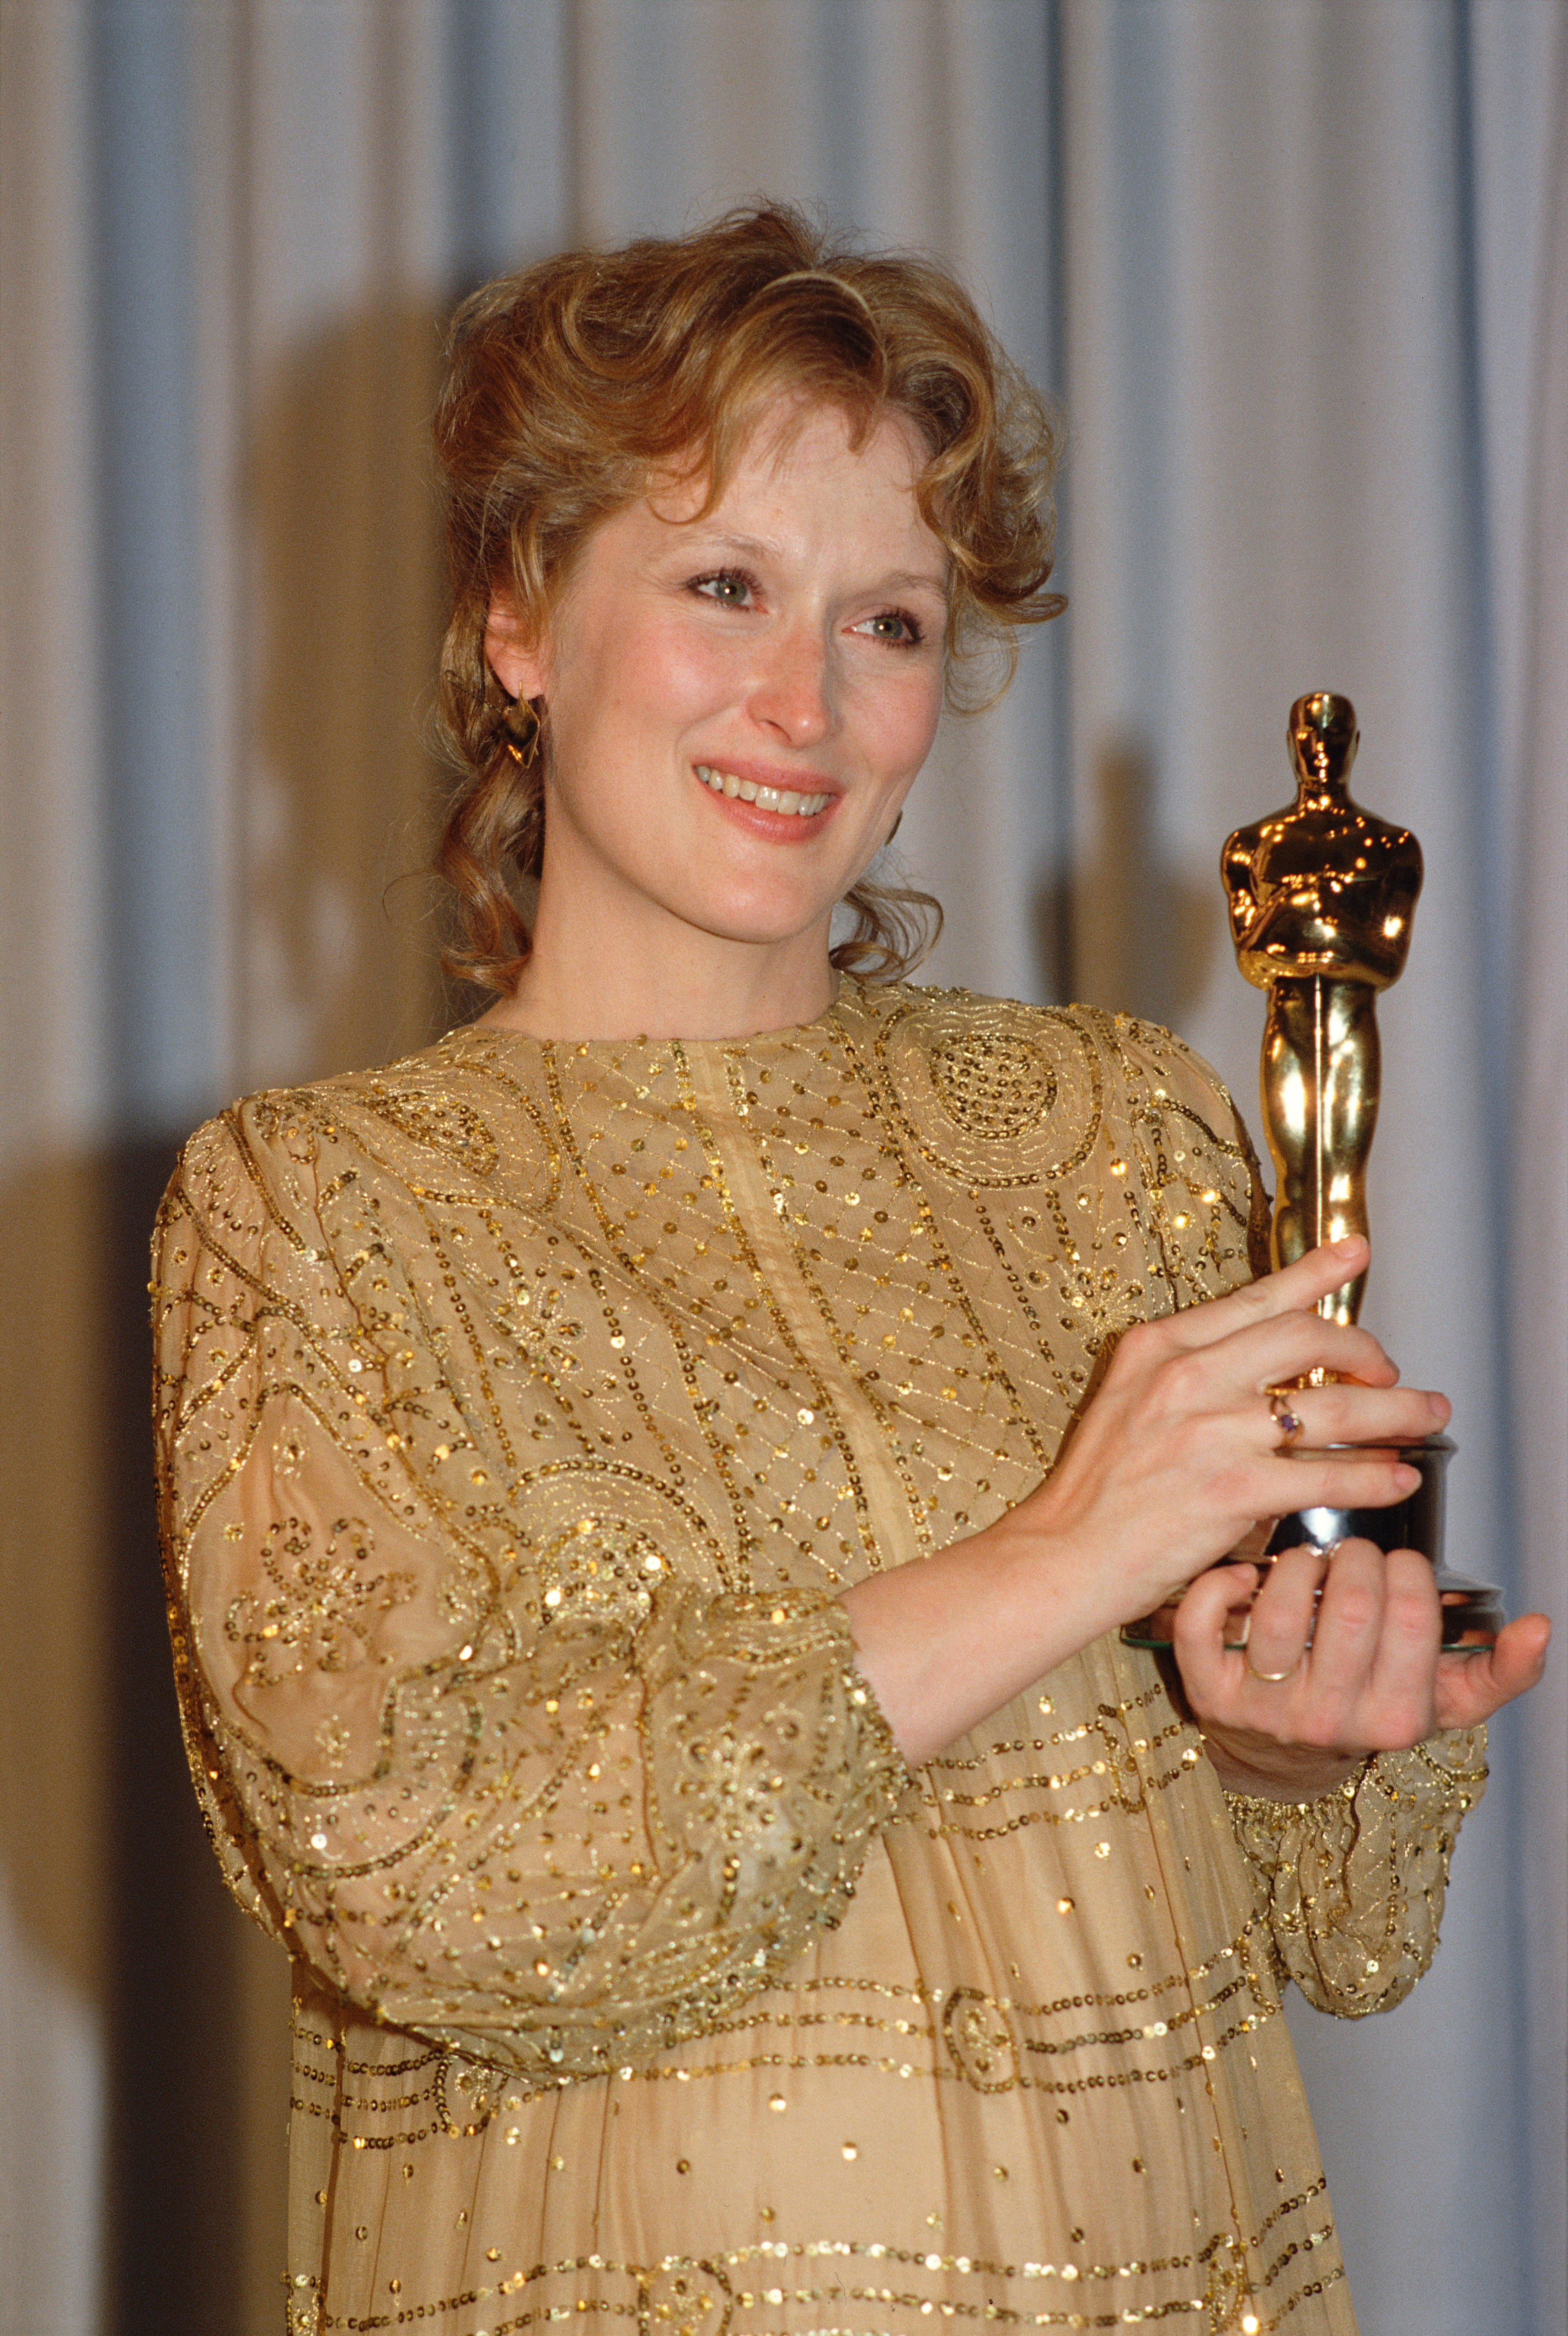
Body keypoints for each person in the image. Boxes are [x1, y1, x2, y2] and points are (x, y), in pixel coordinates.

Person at [151, 206, 1547, 2336]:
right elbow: (413, 1874)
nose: (805, 702)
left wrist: (1297, 1733)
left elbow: (1335, 1928)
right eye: (724, 585)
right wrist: (1059, 1556)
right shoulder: (317, 1204)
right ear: (519, 616)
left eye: (887, 622)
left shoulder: (1114, 1126)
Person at [1221, 692, 1424, 1327]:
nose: (1320, 748)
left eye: (1334, 736)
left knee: (1341, 1182)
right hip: (1286, 1022)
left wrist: (1305, 922)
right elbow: (1253, 957)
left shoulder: (1388, 846)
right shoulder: (1252, 846)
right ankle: (1297, 1340)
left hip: (1349, 1024)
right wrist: (1326, 927)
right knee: (1295, 1183)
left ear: (1354, 745)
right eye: (1308, 735)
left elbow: (1385, 960)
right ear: (1291, 744)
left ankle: (1334, 1344)